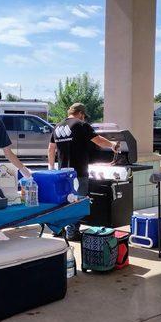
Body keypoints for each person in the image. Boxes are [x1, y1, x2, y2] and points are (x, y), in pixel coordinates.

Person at [48, 102, 119, 240]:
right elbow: (98, 141)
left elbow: (51, 148)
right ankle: (72, 232)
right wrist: (112, 145)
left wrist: (51, 168)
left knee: (63, 202)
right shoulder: (81, 125)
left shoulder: (57, 127)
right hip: (78, 172)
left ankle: (58, 229)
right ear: (80, 113)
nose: (84, 118)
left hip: (62, 174)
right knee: (77, 203)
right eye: (84, 116)